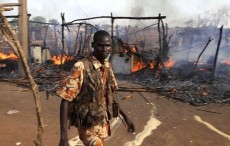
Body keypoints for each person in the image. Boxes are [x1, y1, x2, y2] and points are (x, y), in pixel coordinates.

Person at [56, 30, 135, 146]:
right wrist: (63, 138)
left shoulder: (107, 67)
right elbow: (65, 99)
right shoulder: (81, 67)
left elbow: (110, 97)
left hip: (102, 125)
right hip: (87, 128)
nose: (104, 49)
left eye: (107, 46)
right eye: (100, 45)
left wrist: (126, 119)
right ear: (93, 45)